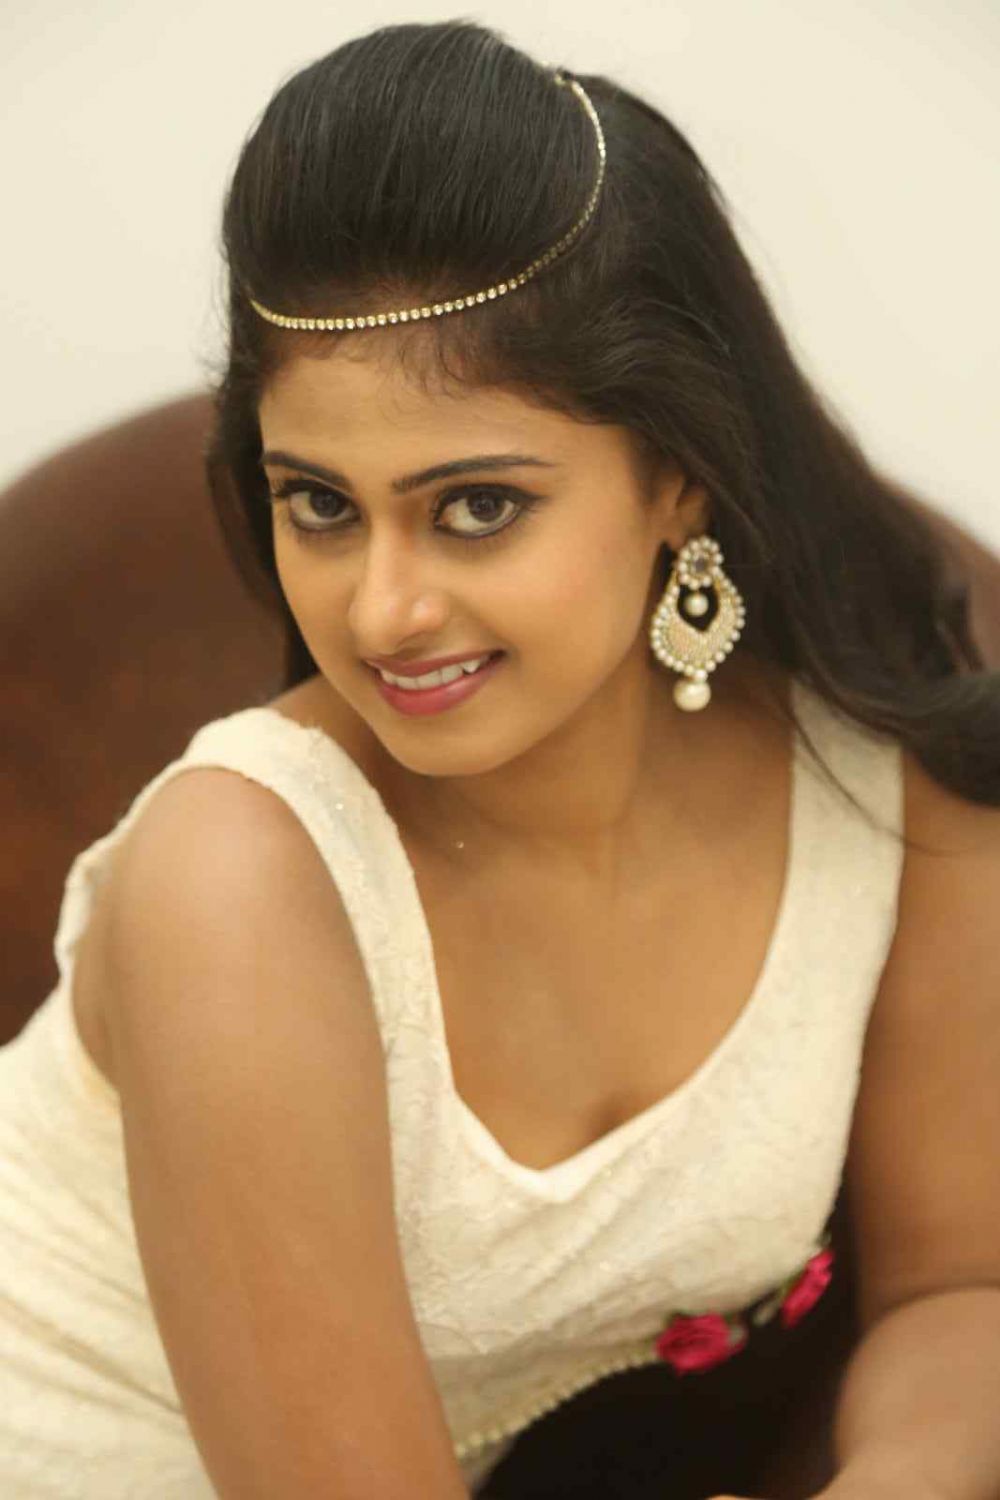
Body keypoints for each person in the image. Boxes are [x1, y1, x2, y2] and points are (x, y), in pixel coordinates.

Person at [2, 18, 999, 1500]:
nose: (380, 611)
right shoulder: (239, 882)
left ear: (678, 476)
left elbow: (958, 1291)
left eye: (475, 507)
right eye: (320, 504)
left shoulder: (885, 779)